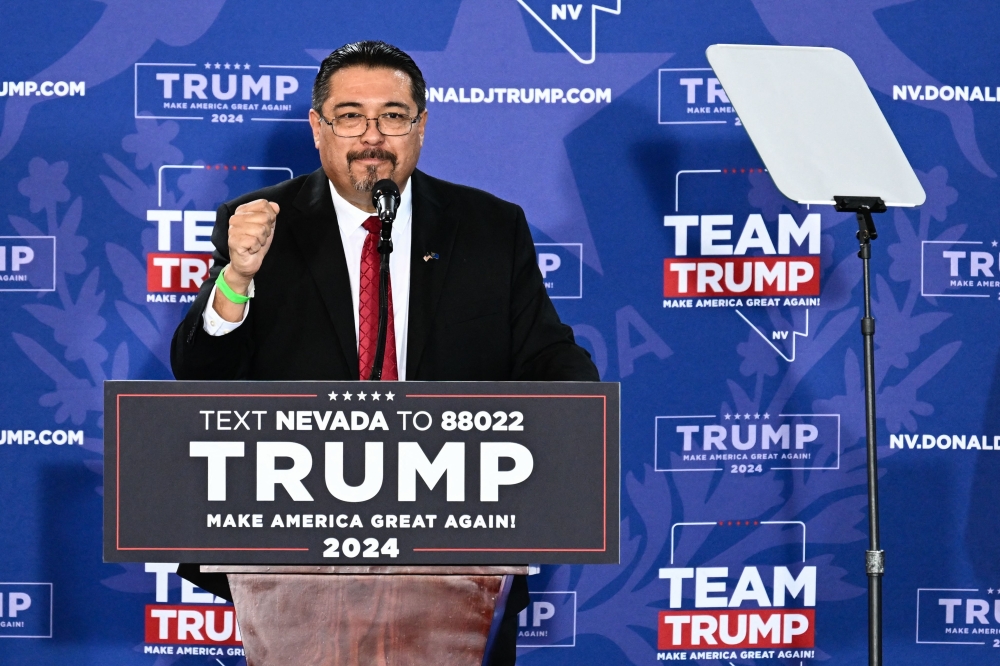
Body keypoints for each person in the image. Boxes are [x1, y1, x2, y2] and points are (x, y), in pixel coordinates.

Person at [170, 40, 598, 665]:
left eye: (392, 116)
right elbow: (200, 373)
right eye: (350, 116)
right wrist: (237, 277)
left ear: (421, 126)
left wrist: (579, 417)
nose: (372, 136)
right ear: (317, 128)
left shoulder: (489, 227)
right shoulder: (259, 223)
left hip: (456, 545)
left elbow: (546, 355)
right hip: (299, 550)